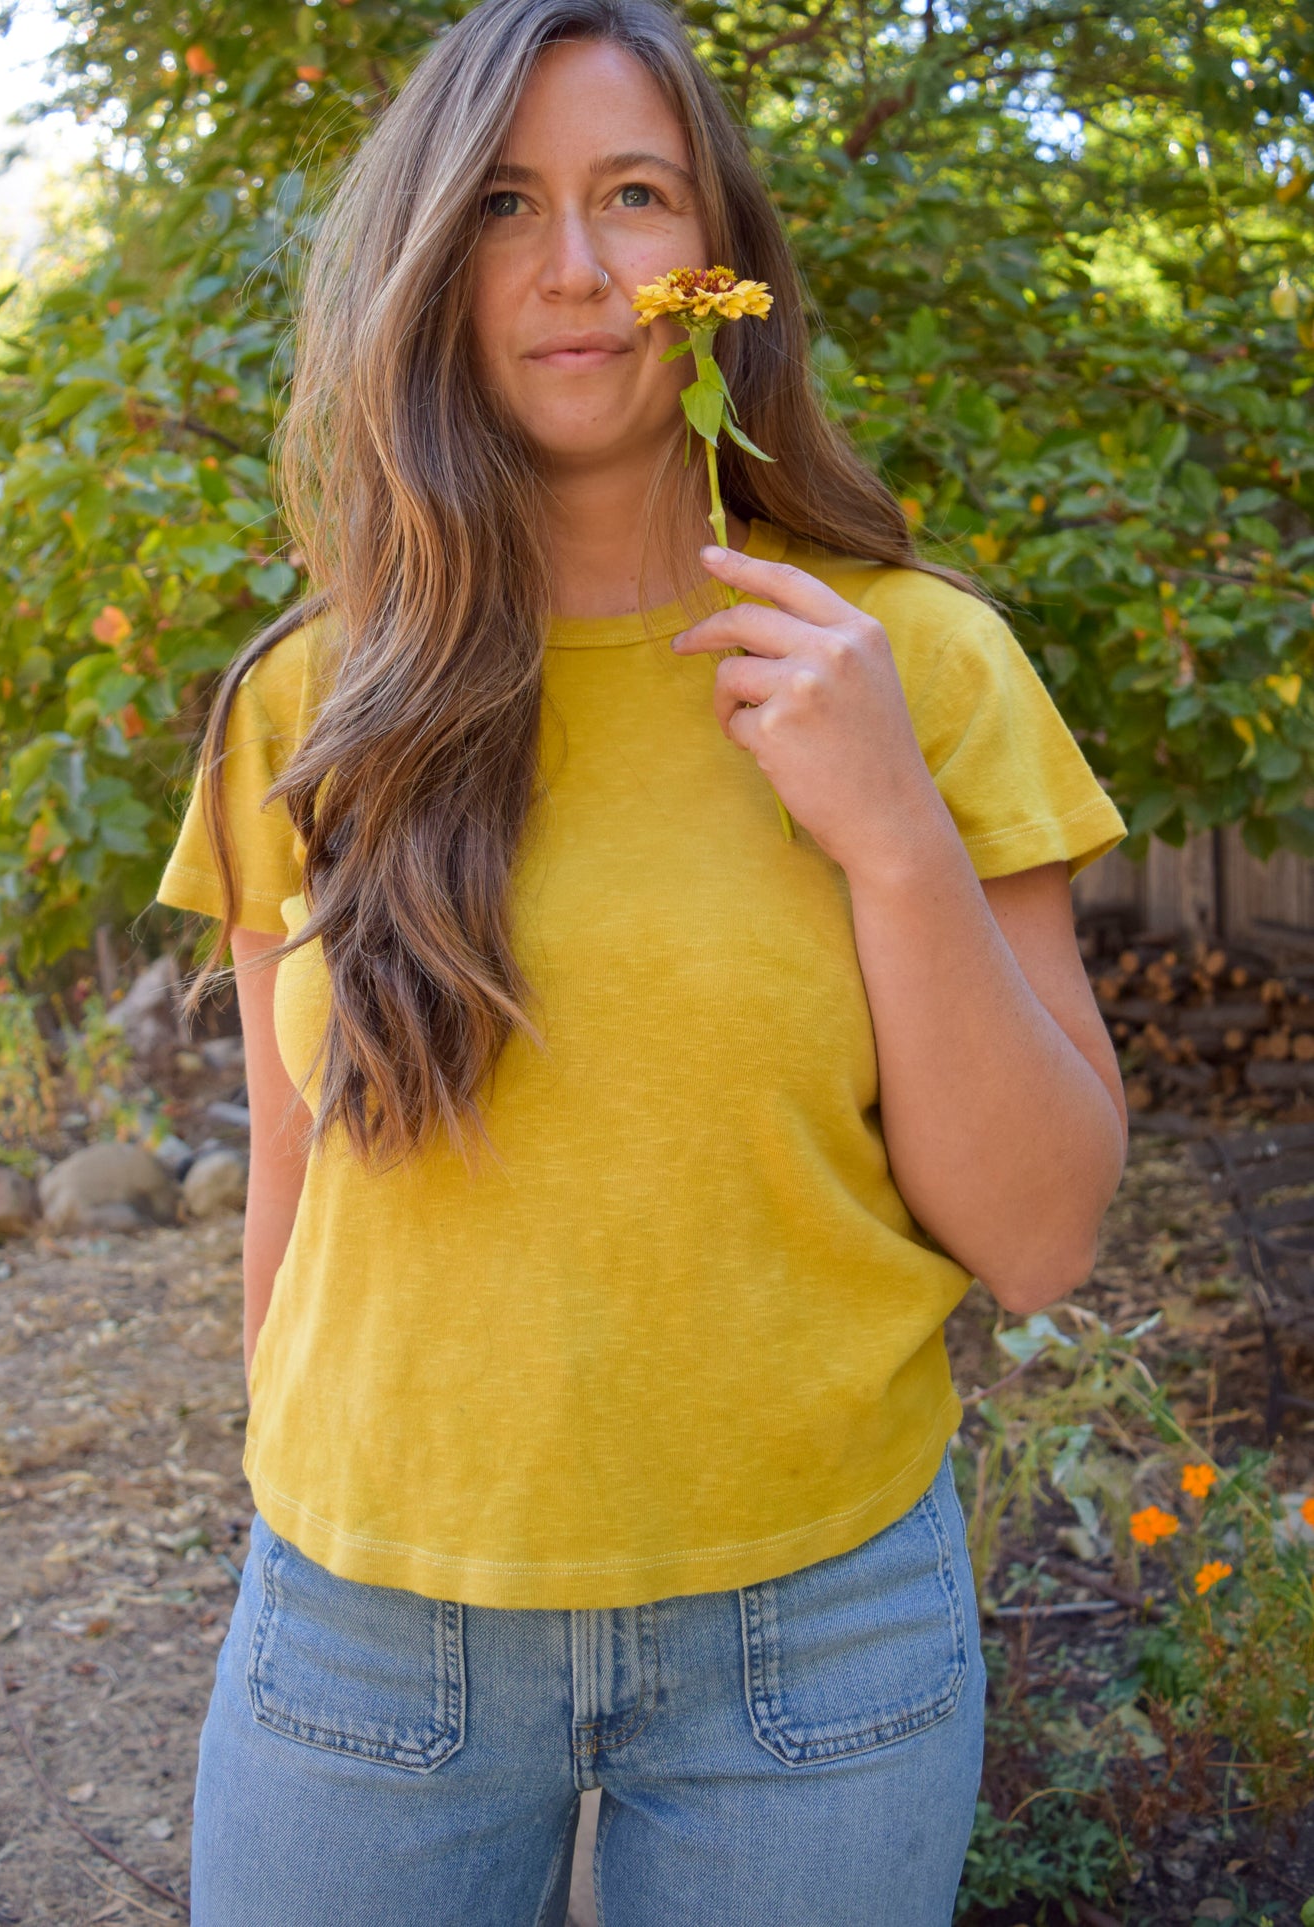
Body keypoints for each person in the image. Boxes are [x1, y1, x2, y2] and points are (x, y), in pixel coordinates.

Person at [152, 0, 1130, 1919]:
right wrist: (296, 1484)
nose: (577, 267)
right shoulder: (307, 704)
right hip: (365, 1637)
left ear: (721, 268)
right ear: (431, 262)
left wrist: (889, 830)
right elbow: (298, 1171)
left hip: (813, 1645)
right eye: (507, 203)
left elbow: (1040, 1241)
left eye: (633, 196)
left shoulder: (911, 667)